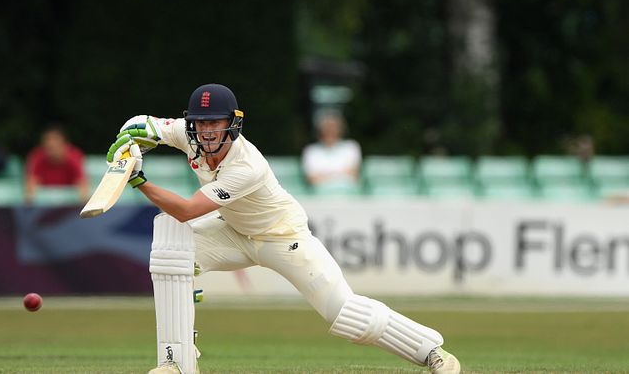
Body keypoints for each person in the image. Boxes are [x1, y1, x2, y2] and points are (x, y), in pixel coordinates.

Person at [106, 84, 460, 374]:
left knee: (345, 312)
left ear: (232, 123)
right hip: (233, 231)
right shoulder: (189, 133)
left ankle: (434, 353)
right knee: (173, 254)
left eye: (216, 122)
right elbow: (140, 126)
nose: (208, 130)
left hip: (283, 237)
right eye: (201, 123)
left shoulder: (247, 165)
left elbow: (187, 210)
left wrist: (137, 179)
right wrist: (128, 148)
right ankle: (177, 362)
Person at [301, 110, 362, 192]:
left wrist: (325, 175)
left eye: (333, 127)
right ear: (320, 130)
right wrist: (341, 174)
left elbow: (354, 174)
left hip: (348, 196)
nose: (330, 131)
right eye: (327, 128)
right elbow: (312, 179)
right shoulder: (311, 151)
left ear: (340, 129)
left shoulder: (351, 147)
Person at [25, 125, 89, 203]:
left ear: (65, 144)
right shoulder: (37, 157)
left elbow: (83, 187)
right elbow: (30, 189)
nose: (51, 144)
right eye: (48, 140)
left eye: (55, 140)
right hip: (46, 204)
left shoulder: (74, 157)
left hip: (69, 204)